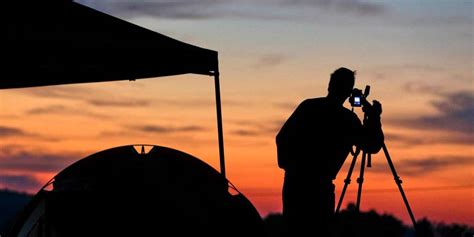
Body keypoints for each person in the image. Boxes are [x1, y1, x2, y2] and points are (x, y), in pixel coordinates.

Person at [276, 67, 384, 236]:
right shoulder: (347, 119)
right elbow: (373, 145)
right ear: (349, 92)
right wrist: (375, 118)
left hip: (294, 186)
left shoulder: (308, 107)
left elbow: (282, 138)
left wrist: (290, 167)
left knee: (292, 231)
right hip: (320, 190)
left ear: (330, 85)